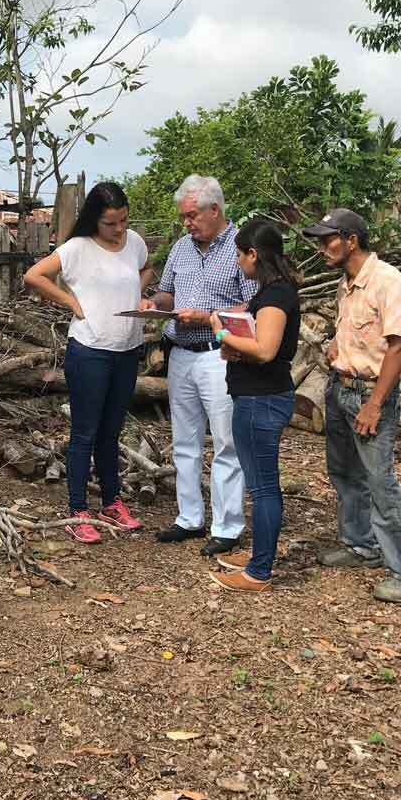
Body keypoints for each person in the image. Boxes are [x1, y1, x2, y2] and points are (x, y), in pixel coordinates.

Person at [302, 208, 401, 604]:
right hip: (341, 389)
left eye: (328, 240)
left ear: (351, 240)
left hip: (369, 395)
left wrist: (374, 404)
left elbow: (399, 347)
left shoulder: (388, 281)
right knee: (344, 472)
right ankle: (361, 545)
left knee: (379, 481)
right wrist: (337, 349)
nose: (322, 248)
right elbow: (358, 336)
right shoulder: (347, 285)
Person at [23, 181, 152, 543]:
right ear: (94, 219)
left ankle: (111, 502)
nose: (119, 229)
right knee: (85, 432)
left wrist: (139, 294)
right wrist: (70, 302)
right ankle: (77, 510)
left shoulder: (135, 243)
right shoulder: (77, 248)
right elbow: (34, 275)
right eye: (110, 223)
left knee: (112, 432)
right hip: (90, 350)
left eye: (124, 220)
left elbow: (147, 268)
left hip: (128, 350)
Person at [148, 175, 257, 557]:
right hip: (181, 351)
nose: (187, 223)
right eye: (183, 217)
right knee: (184, 439)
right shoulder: (181, 247)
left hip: (219, 353)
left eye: (192, 216)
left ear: (215, 210)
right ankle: (189, 517)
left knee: (226, 441)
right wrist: (154, 304)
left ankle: (227, 526)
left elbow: (254, 304)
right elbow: (168, 292)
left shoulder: (242, 246)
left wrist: (208, 315)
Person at [204, 220, 300, 593]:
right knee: (261, 484)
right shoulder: (272, 291)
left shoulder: (276, 297)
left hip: (262, 400)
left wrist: (222, 333)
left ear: (254, 254)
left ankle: (258, 572)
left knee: (263, 488)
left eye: (239, 254)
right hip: (257, 396)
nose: (237, 261)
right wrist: (235, 348)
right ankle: (260, 554)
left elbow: (265, 350)